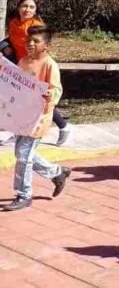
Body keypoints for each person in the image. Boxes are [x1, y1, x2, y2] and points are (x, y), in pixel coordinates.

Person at [3, 26, 72, 211]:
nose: (31, 44)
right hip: (22, 116)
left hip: (39, 119)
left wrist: (51, 95)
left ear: (47, 46)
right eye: (29, 41)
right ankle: (57, 172)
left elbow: (56, 89)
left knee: (24, 156)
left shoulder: (50, 65)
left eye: (36, 41)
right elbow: (16, 84)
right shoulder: (23, 61)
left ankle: (24, 194)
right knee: (22, 154)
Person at [2, 0, 73, 147]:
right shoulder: (14, 23)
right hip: (21, 64)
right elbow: (12, 39)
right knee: (22, 100)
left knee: (39, 101)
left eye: (31, 7)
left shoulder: (36, 26)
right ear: (18, 7)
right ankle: (18, 131)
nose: (27, 10)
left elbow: (42, 43)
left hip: (36, 65)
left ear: (35, 11)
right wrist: (4, 45)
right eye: (24, 6)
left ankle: (63, 127)